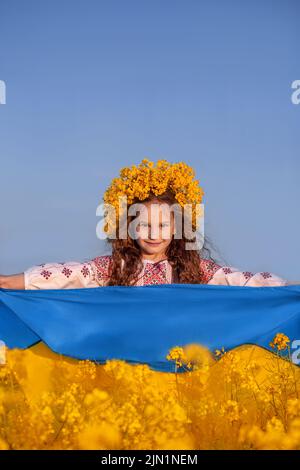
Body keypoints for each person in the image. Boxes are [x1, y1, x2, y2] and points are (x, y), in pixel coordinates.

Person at [0, 159, 294, 290]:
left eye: (163, 226)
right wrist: (9, 281)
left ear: (177, 228)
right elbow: (66, 276)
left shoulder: (192, 270)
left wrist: (289, 288)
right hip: (127, 370)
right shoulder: (115, 267)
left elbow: (241, 280)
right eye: (144, 226)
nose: (154, 235)